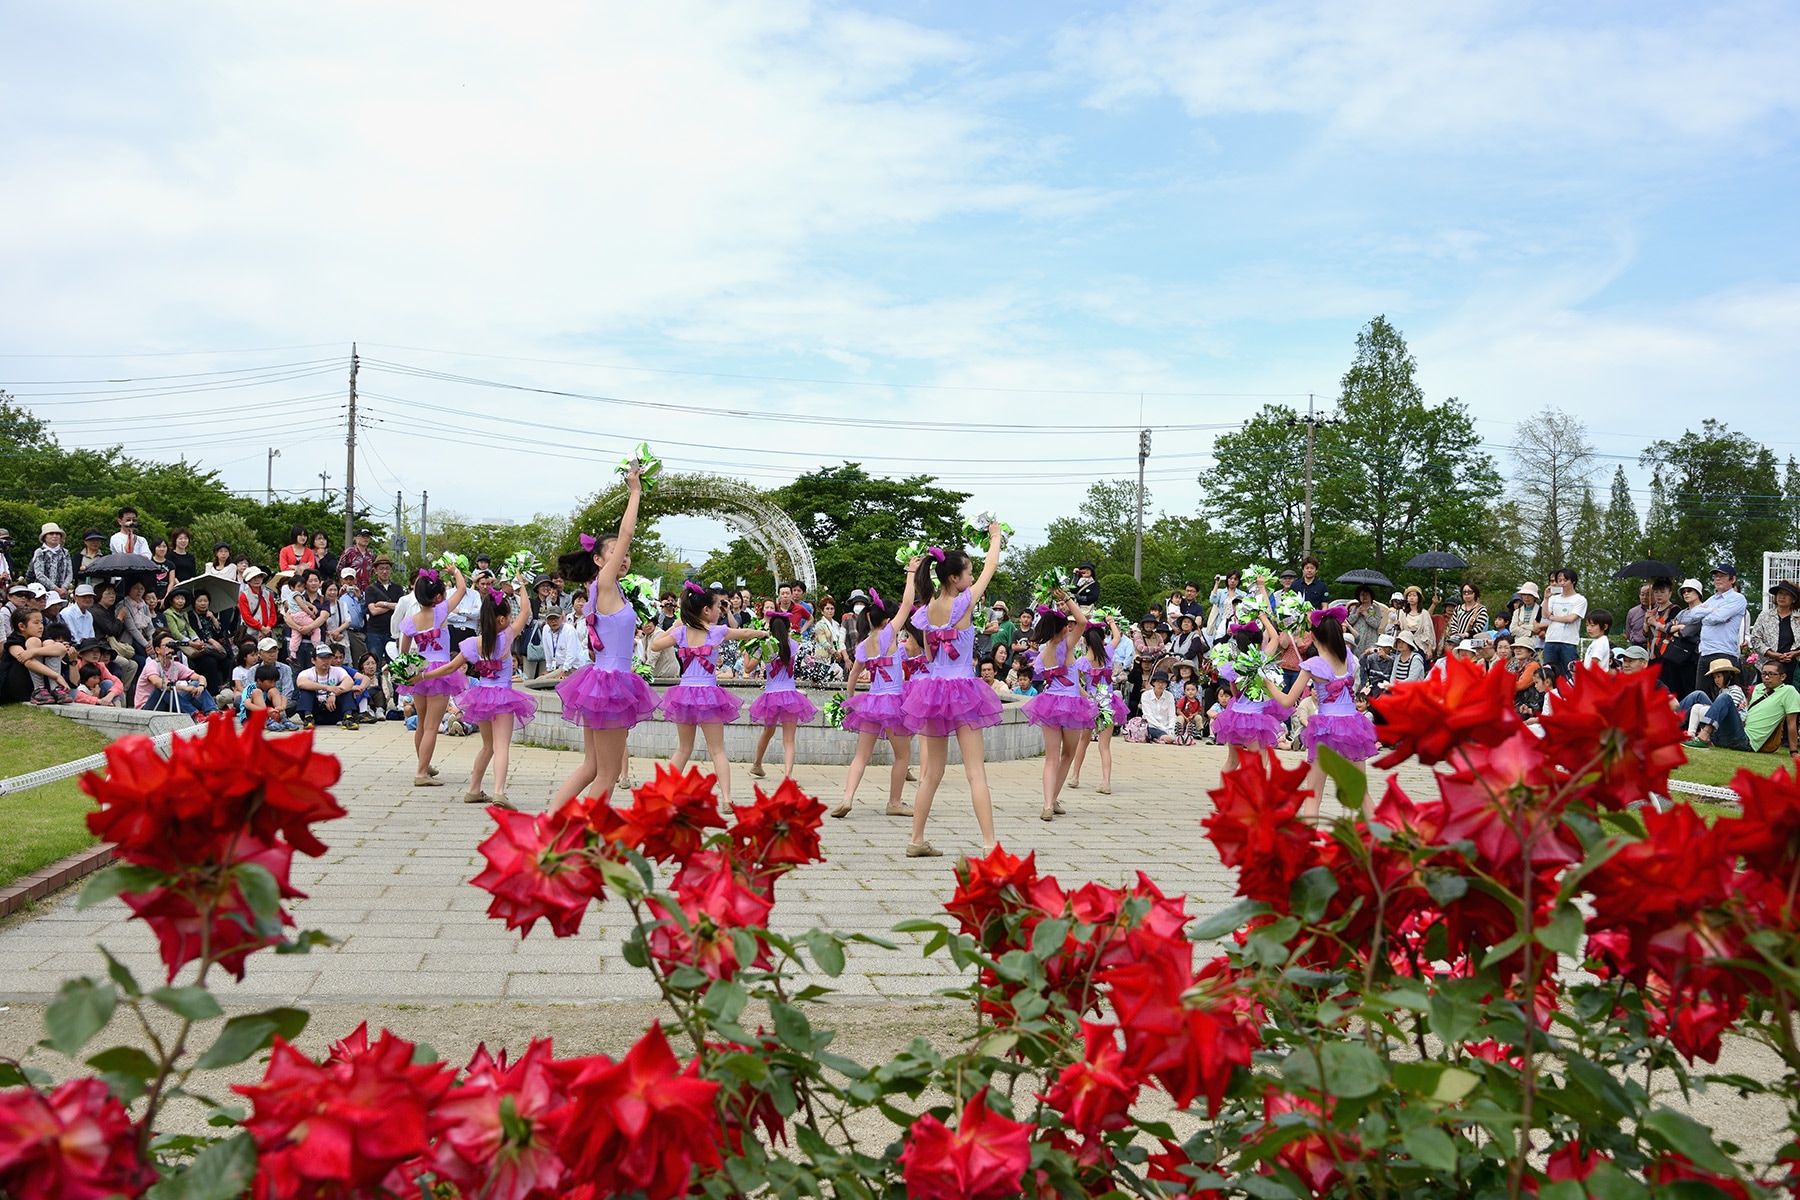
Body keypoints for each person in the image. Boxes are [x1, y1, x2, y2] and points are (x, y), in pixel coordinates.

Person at [550, 465, 661, 804]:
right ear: (599, 560)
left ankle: (551, 824)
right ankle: (585, 836)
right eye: (616, 553)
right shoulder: (605, 583)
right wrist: (635, 492)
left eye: (626, 554)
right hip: (612, 681)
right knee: (607, 775)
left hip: (603, 678)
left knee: (592, 767)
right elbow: (626, 532)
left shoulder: (605, 590)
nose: (624, 557)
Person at [903, 528, 1007, 858]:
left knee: (930, 773)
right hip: (962, 689)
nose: (973, 577)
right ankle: (990, 844)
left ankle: (916, 839)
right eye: (968, 573)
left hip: (933, 689)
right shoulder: (963, 602)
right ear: (953, 578)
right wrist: (995, 537)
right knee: (975, 772)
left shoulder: (926, 611)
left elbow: (930, 657)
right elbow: (991, 566)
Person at [417, 577, 536, 806]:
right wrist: (521, 584)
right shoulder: (507, 636)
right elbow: (527, 609)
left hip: (481, 696)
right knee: (501, 747)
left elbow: (451, 667)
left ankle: (474, 789)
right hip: (502, 697)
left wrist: (423, 676)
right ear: (502, 619)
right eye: (509, 616)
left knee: (487, 746)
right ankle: (499, 792)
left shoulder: (474, 643)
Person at [650, 583, 767, 805]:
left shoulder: (681, 632)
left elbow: (656, 645)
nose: (720, 610)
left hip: (684, 693)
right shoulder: (716, 631)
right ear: (706, 610)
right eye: (718, 606)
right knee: (717, 751)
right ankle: (726, 798)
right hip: (708, 693)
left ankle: (663, 794)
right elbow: (744, 633)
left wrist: (676, 625)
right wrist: (762, 632)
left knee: (683, 749)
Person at [1273, 606, 1378, 820]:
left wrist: (1267, 682)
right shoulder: (1348, 658)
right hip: (1353, 725)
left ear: (1312, 635)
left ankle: (1308, 847)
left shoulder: (1314, 665)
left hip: (1326, 729)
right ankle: (1386, 838)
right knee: (1361, 792)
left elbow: (1286, 701)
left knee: (1314, 794)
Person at [836, 580, 921, 820]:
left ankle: (848, 797)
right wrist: (910, 574)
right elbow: (907, 603)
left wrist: (850, 699)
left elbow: (853, 674)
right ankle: (894, 802)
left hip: (871, 702)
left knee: (861, 755)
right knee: (903, 756)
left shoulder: (863, 645)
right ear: (886, 620)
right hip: (893, 702)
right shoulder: (888, 634)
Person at [1022, 588, 1095, 822]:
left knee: (1051, 757)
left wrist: (1087, 697)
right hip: (1070, 706)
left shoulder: (1043, 654)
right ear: (1065, 628)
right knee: (1068, 754)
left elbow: (1068, 680)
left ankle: (1047, 804)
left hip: (1051, 703)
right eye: (1068, 626)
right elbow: (1083, 620)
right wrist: (1066, 599)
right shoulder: (1066, 645)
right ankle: (1052, 799)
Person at [397, 563, 469, 785]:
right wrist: (455, 571)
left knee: (421, 724)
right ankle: (421, 774)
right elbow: (463, 589)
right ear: (438, 596)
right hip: (440, 671)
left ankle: (424, 764)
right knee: (431, 726)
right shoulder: (441, 611)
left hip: (420, 670)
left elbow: (404, 651)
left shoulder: (410, 621)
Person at [1681, 660, 1800, 754]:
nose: (1767, 677)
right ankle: (1669, 727)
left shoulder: (1789, 691)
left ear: (1783, 677)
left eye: (1771, 674)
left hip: (1745, 741)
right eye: (1764, 674)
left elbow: (1791, 723)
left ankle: (1703, 738)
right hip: (1734, 731)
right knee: (1698, 694)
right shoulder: (1758, 688)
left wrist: (1793, 751)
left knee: (1725, 698)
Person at [1669, 564, 1749, 697]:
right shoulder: (1712, 599)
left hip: (1724, 652)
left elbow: (1718, 617)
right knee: (1702, 695)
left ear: (1732, 579)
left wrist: (1707, 617)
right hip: (1705, 652)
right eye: (1716, 576)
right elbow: (1694, 613)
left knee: (1724, 695)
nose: (1718, 579)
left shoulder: (1738, 598)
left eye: (1722, 576)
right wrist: (1711, 611)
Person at [1069, 614, 1126, 795]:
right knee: (1104, 745)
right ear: (1103, 640)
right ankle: (1106, 782)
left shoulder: (1082, 662)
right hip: (1107, 700)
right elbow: (1117, 636)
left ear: (1085, 641)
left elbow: (1075, 685)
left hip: (1090, 704)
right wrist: (1111, 621)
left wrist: (1088, 698)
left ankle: (1075, 776)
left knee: (1083, 741)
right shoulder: (1108, 653)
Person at [1, 609, 74, 705]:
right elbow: (28, 662)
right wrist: (56, 676)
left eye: (42, 622)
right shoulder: (13, 641)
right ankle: (38, 689)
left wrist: (33, 652)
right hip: (18, 685)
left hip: (42, 682)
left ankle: (54, 688)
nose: (41, 627)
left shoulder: (43, 637)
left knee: (49, 644)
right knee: (33, 641)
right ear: (22, 626)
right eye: (36, 623)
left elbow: (61, 649)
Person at [137, 631, 216, 714]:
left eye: (172, 645)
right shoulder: (152, 664)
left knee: (195, 683)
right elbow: (159, 683)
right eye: (167, 645)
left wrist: (201, 685)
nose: (170, 648)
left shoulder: (175, 665)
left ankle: (212, 712)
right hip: (148, 707)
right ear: (157, 650)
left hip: (169, 702)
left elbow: (200, 677)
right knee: (166, 688)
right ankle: (194, 715)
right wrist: (185, 689)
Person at [1532, 569, 1586, 680]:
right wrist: (1546, 598)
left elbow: (1571, 618)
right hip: (1551, 640)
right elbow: (1545, 615)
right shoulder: (1553, 598)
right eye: (1559, 580)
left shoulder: (1580, 599)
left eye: (1565, 580)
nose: (1562, 583)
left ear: (1573, 581)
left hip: (1568, 642)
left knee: (1570, 672)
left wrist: (1553, 618)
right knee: (1550, 673)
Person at [296, 645, 360, 728]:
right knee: (307, 689)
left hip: (333, 710)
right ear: (313, 660)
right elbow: (301, 683)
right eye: (322, 658)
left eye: (328, 658)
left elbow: (349, 682)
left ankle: (348, 718)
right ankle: (308, 718)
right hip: (315, 710)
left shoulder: (338, 670)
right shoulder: (306, 673)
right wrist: (327, 687)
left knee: (344, 689)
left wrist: (333, 693)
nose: (326, 661)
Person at [1751, 581, 1800, 684]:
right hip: (1766, 666)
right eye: (1780, 593)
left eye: (1787, 594)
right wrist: (1772, 654)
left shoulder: (1798, 618)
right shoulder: (1765, 616)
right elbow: (1755, 639)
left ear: (1794, 599)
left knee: (1789, 696)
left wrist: (1794, 653)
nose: (1782, 597)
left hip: (1791, 667)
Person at [361, 556, 402, 666]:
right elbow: (373, 610)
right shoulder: (370, 589)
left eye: (387, 568)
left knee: (395, 665)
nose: (384, 571)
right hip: (375, 632)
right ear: (375, 571)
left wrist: (383, 604)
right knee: (374, 664)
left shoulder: (398, 588)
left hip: (393, 632)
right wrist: (391, 606)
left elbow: (401, 607)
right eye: (381, 568)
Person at [242, 662, 297, 730]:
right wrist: (265, 711)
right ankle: (266, 721)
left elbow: (284, 697)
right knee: (257, 692)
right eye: (270, 682)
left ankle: (283, 718)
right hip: (251, 716)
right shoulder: (250, 688)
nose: (273, 684)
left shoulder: (269, 688)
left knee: (274, 690)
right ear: (259, 681)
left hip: (270, 713)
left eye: (274, 682)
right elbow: (247, 704)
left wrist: (281, 707)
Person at [28, 523, 72, 597]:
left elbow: (69, 573)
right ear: (44, 537)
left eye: (57, 534)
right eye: (51, 534)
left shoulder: (65, 552)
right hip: (43, 592)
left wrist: (64, 588)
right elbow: (39, 574)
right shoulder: (40, 552)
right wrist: (56, 589)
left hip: (62, 593)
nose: (55, 536)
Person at [1393, 586, 1435, 659]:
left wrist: (1429, 649)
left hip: (1421, 644)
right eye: (1409, 596)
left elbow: (1429, 632)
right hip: (1405, 643)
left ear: (1418, 598)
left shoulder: (1424, 613)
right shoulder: (1401, 613)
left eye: (1414, 595)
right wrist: (1397, 625)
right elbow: (1399, 632)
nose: (1411, 598)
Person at [1139, 671, 1177, 743]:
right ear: (1153, 683)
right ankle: (1165, 738)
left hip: (1166, 726)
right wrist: (1162, 728)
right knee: (1150, 731)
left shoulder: (1169, 696)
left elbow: (1172, 714)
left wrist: (1171, 728)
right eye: (1158, 682)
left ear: (1166, 684)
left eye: (1163, 682)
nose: (1160, 685)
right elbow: (1148, 716)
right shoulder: (1146, 695)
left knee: (1177, 730)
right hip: (1151, 726)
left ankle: (1168, 737)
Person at [1206, 571, 1244, 640]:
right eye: (1230, 578)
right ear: (1227, 579)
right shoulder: (1221, 592)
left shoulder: (1242, 594)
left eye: (1235, 579)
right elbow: (1212, 600)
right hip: (1222, 623)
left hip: (1236, 624)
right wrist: (1216, 583)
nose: (1232, 581)